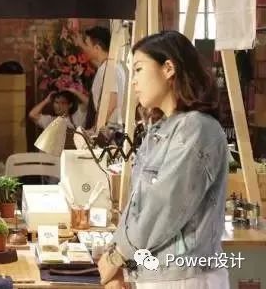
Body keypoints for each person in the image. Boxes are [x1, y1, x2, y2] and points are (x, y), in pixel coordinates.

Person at [97, 31, 228, 289]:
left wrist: (119, 256)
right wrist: (121, 261)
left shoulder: (196, 128)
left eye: (138, 69)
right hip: (158, 275)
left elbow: (164, 205)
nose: (133, 81)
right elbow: (138, 206)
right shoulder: (160, 129)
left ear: (168, 68)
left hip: (186, 278)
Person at [73, 26, 126, 128]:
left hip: (110, 128)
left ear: (97, 48)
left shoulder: (109, 69)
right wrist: (81, 44)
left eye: (87, 44)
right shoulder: (111, 66)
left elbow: (112, 100)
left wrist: (96, 128)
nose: (86, 49)